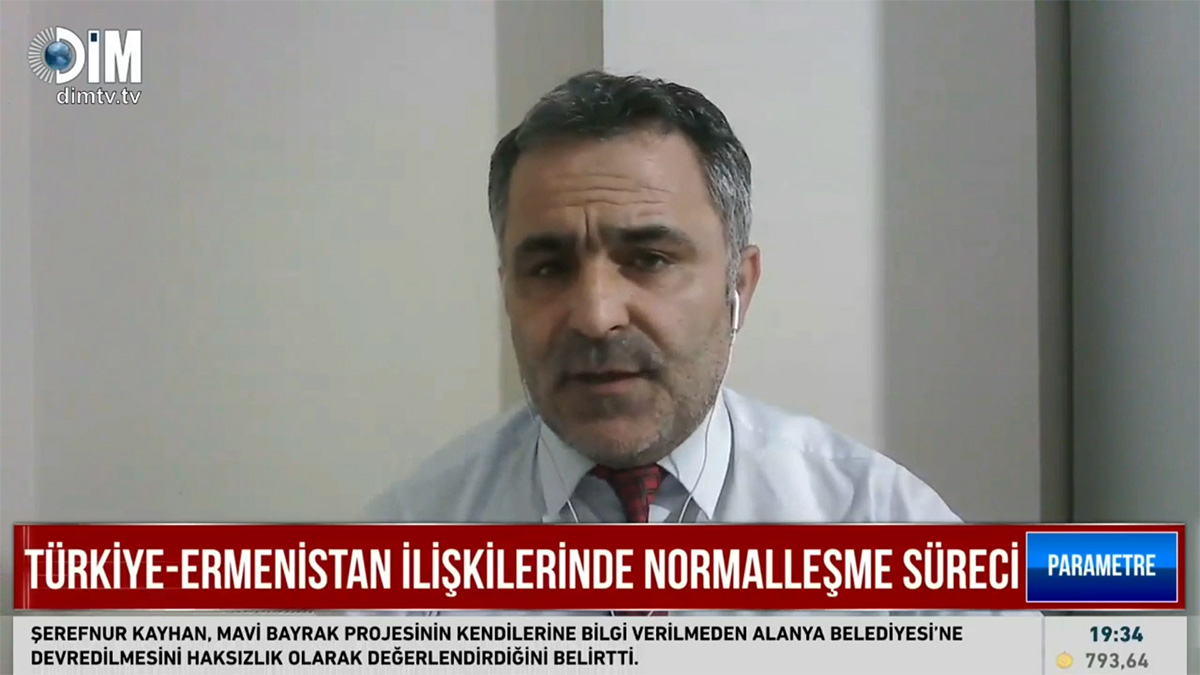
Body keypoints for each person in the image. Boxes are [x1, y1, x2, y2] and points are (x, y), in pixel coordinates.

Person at [366, 71, 958, 526]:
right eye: (548, 269)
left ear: (738, 286)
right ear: (507, 295)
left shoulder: (881, 523)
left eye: (650, 259)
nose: (596, 317)